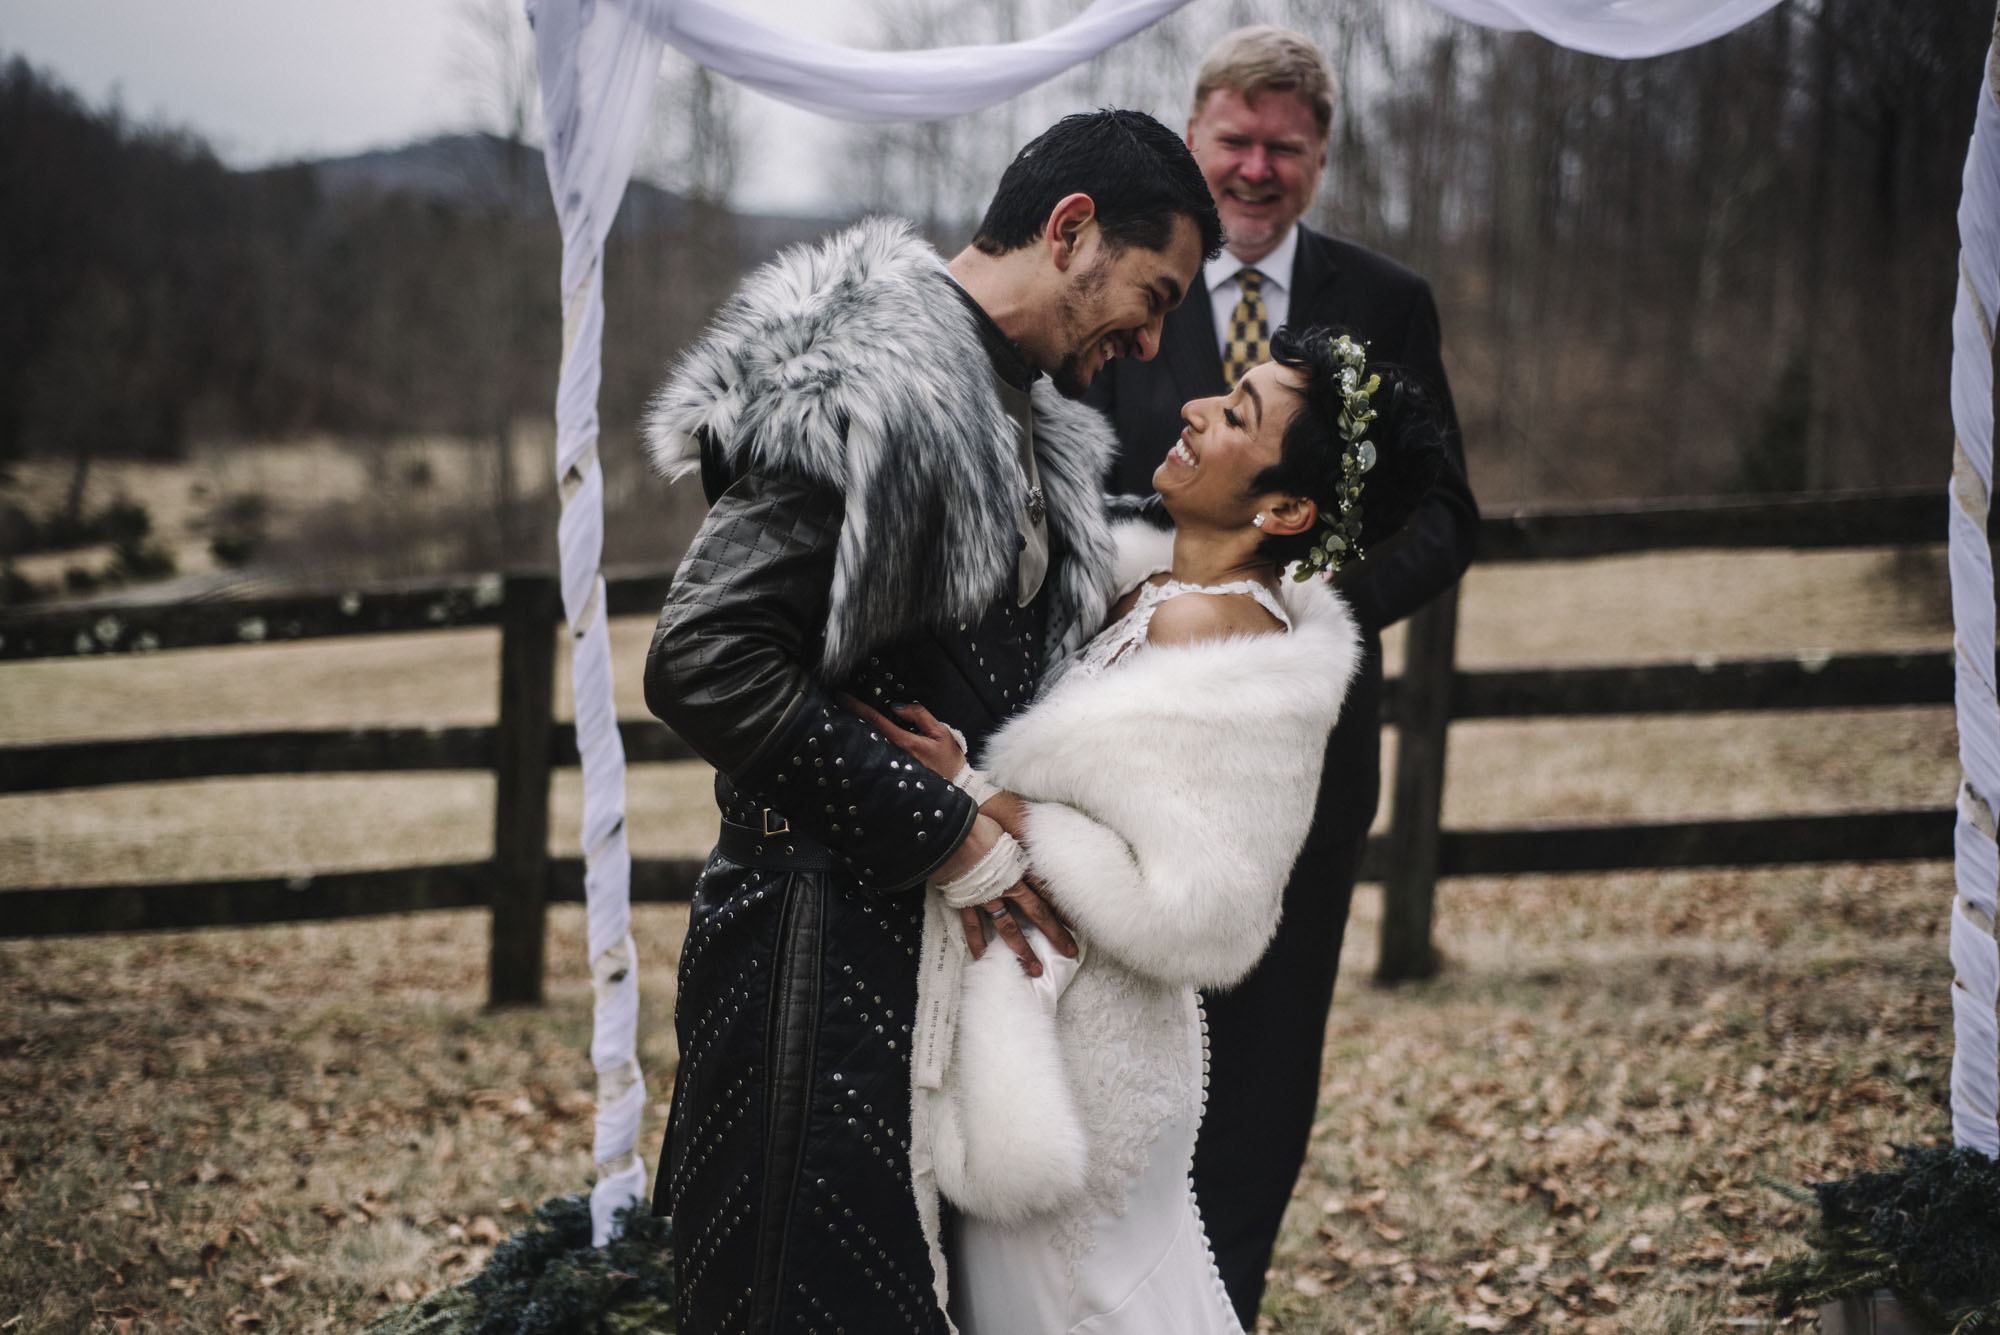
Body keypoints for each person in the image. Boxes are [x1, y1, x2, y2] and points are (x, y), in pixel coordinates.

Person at [640, 109, 1221, 1335]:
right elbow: (702, 656)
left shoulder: (1023, 410)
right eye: (1152, 291)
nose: (1157, 335)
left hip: (932, 993)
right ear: (1071, 232)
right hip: (809, 974)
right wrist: (947, 836)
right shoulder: (873, 372)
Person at [854, 328, 1446, 1333]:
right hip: (1058, 1028)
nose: (1195, 410)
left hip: (1089, 1064)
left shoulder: (1217, 635)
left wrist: (969, 791)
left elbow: (1202, 914)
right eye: (1224, 394)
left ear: (1285, 509)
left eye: (1237, 417)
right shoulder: (1155, 592)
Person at [1083, 26, 1481, 1323]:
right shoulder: (1124, 284)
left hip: (1302, 750)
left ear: (1317, 160)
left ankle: (1219, 1302)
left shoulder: (1386, 302)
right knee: (1125, 1039)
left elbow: (1444, 517)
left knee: (1260, 1064)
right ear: (1194, 141)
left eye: (1283, 148)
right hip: (1134, 742)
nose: (1255, 168)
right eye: (1234, 142)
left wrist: (1298, 607)